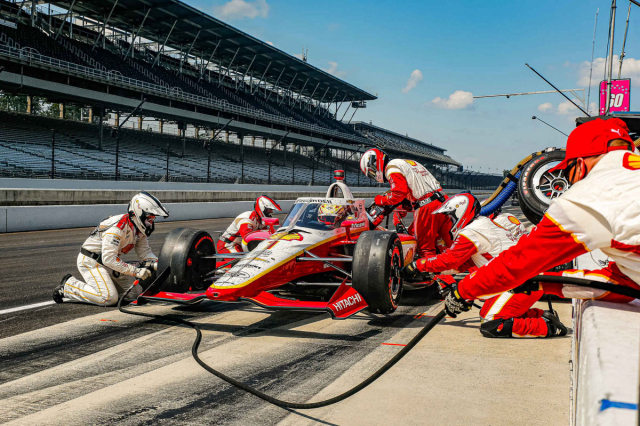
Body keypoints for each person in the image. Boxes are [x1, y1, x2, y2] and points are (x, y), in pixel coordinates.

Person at [444, 117, 640, 318]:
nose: (570, 182)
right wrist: (542, 283)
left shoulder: (589, 195)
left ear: (580, 163)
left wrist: (464, 290)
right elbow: (627, 282)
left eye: (567, 172)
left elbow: (518, 263)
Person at [404, 193, 567, 338]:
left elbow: (449, 260)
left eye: (449, 217)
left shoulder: (472, 231)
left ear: (460, 213)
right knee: (486, 312)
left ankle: (548, 327)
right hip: (525, 278)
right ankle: (541, 316)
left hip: (520, 281)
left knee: (493, 324)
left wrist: (418, 265)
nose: (447, 221)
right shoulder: (485, 225)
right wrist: (431, 273)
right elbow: (462, 266)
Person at [53, 191, 169, 307]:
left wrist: (163, 264)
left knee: (135, 294)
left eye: (152, 220)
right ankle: (69, 286)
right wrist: (136, 271)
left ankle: (109, 289)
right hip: (91, 261)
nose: (151, 223)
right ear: (138, 214)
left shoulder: (139, 228)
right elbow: (109, 259)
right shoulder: (117, 228)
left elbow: (145, 253)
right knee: (108, 298)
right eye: (149, 219)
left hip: (109, 262)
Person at [359, 148, 453, 258]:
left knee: (424, 249)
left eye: (371, 173)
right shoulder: (405, 163)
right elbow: (404, 200)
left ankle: (432, 274)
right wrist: (398, 223)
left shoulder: (391, 168)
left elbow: (398, 193)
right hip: (443, 201)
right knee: (451, 245)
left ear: (374, 164)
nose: (373, 175)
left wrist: (379, 200)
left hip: (427, 206)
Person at [217, 195, 282, 254]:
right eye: (269, 210)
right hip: (228, 245)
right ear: (262, 208)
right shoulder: (246, 219)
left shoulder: (261, 220)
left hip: (240, 246)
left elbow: (264, 238)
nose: (271, 212)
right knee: (242, 264)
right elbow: (248, 241)